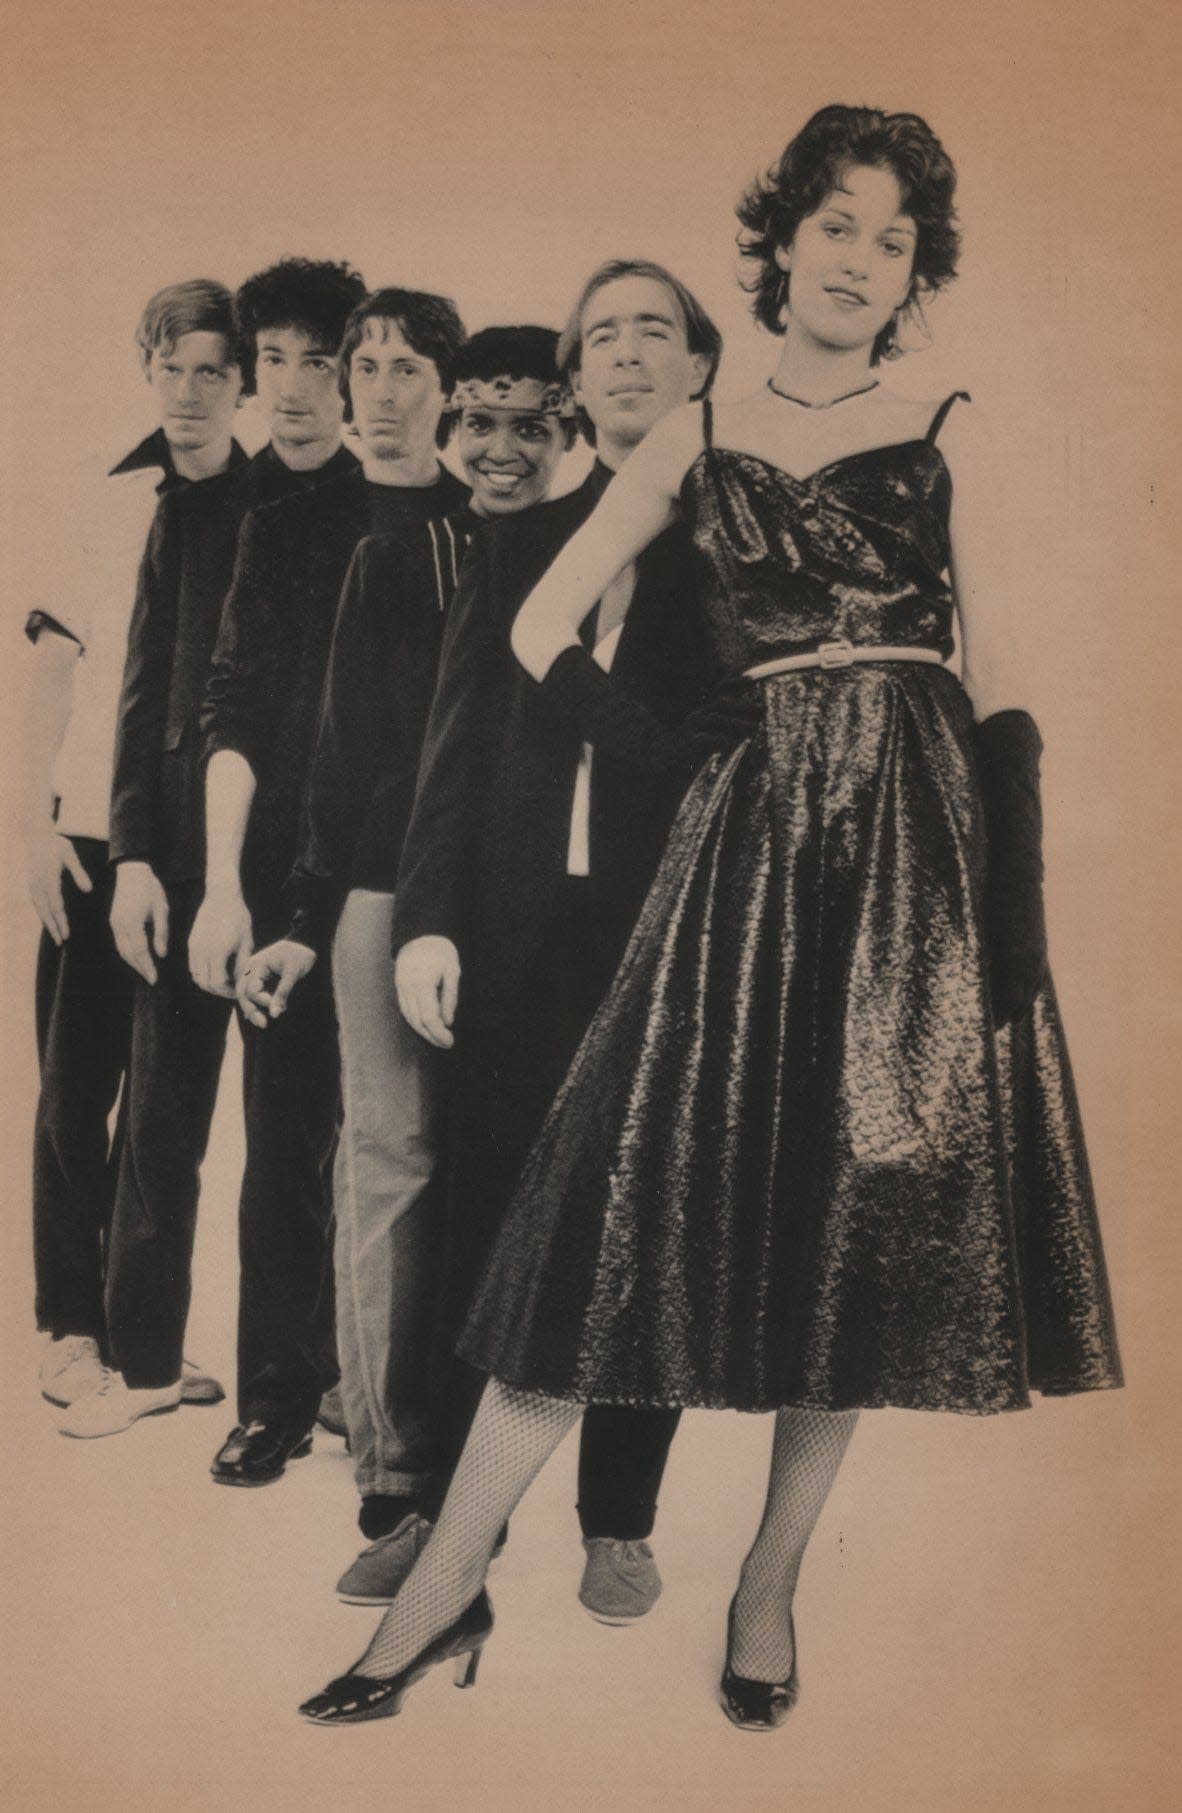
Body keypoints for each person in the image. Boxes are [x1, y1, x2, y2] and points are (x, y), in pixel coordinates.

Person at [299, 105, 1122, 1730]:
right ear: (782, 240)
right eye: (835, 225)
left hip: (911, 843)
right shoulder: (701, 417)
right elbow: (538, 619)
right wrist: (672, 749)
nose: (858, 260)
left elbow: (1003, 671)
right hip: (747, 840)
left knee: (858, 1228)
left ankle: (764, 1581)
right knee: (610, 1204)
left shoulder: (948, 414)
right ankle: (446, 1576)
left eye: (891, 239)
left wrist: (1007, 918)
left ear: (911, 272)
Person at [385, 262, 732, 1626]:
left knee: (649, 1220)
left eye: (656, 331)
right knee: (488, 1216)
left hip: (672, 925)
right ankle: (443, 1521)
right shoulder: (519, 538)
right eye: (601, 338)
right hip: (514, 933)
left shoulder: (738, 541)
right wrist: (425, 925)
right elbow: (451, 751)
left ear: (702, 364)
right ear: (576, 383)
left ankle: (620, 1523)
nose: (627, 355)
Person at [239, 326, 575, 1585]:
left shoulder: (590, 556)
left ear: (568, 434)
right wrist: (304, 917)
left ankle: (485, 1467)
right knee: (392, 1163)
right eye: (477, 423)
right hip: (384, 890)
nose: (498, 447)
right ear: (446, 435)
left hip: (531, 902)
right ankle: (389, 1468)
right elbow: (338, 760)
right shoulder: (395, 561)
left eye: (529, 424)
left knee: (499, 1172)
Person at [62, 259, 367, 1441]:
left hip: (307, 867)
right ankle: (142, 1362)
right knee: (161, 1116)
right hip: (184, 860)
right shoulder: (191, 503)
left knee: (299, 1136)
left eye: (315, 363)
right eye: (274, 362)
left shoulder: (360, 502)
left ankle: (301, 1385)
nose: (289, 387)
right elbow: (142, 698)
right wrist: (137, 857)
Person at [193, 287, 469, 1486]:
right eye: (366, 367)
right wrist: (223, 885)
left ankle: (404, 1413)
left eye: (407, 368)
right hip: (298, 872)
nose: (375, 388)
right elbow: (232, 709)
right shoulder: (286, 524)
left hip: (431, 865)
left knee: (419, 1148)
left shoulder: (476, 513)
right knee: (291, 1131)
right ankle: (275, 1397)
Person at [21, 280, 239, 1414]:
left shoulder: (265, 509)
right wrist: (28, 826)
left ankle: (146, 1348)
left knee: (170, 1108)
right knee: (73, 1096)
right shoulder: (101, 500)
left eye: (214, 370)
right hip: (85, 840)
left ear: (243, 384)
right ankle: (68, 1328)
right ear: (144, 369)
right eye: (173, 366)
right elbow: (50, 670)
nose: (190, 391)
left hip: (201, 855)